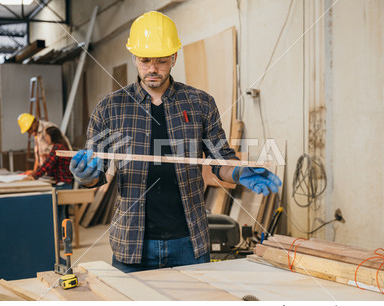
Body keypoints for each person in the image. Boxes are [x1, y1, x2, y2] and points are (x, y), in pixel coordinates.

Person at [69, 11, 281, 273]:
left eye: (161, 60)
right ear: (134, 57)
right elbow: (95, 174)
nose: (153, 69)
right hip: (132, 243)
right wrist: (85, 174)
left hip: (189, 242)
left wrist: (239, 171)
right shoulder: (111, 108)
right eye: (145, 60)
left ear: (174, 57)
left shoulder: (200, 103)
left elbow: (219, 159)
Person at [24, 126, 74, 238]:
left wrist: (34, 176)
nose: (45, 138)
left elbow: (47, 165)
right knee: (61, 213)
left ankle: (61, 238)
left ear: (52, 136)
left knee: (58, 214)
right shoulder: (61, 146)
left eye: (46, 135)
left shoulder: (57, 148)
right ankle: (64, 237)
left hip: (63, 185)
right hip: (65, 183)